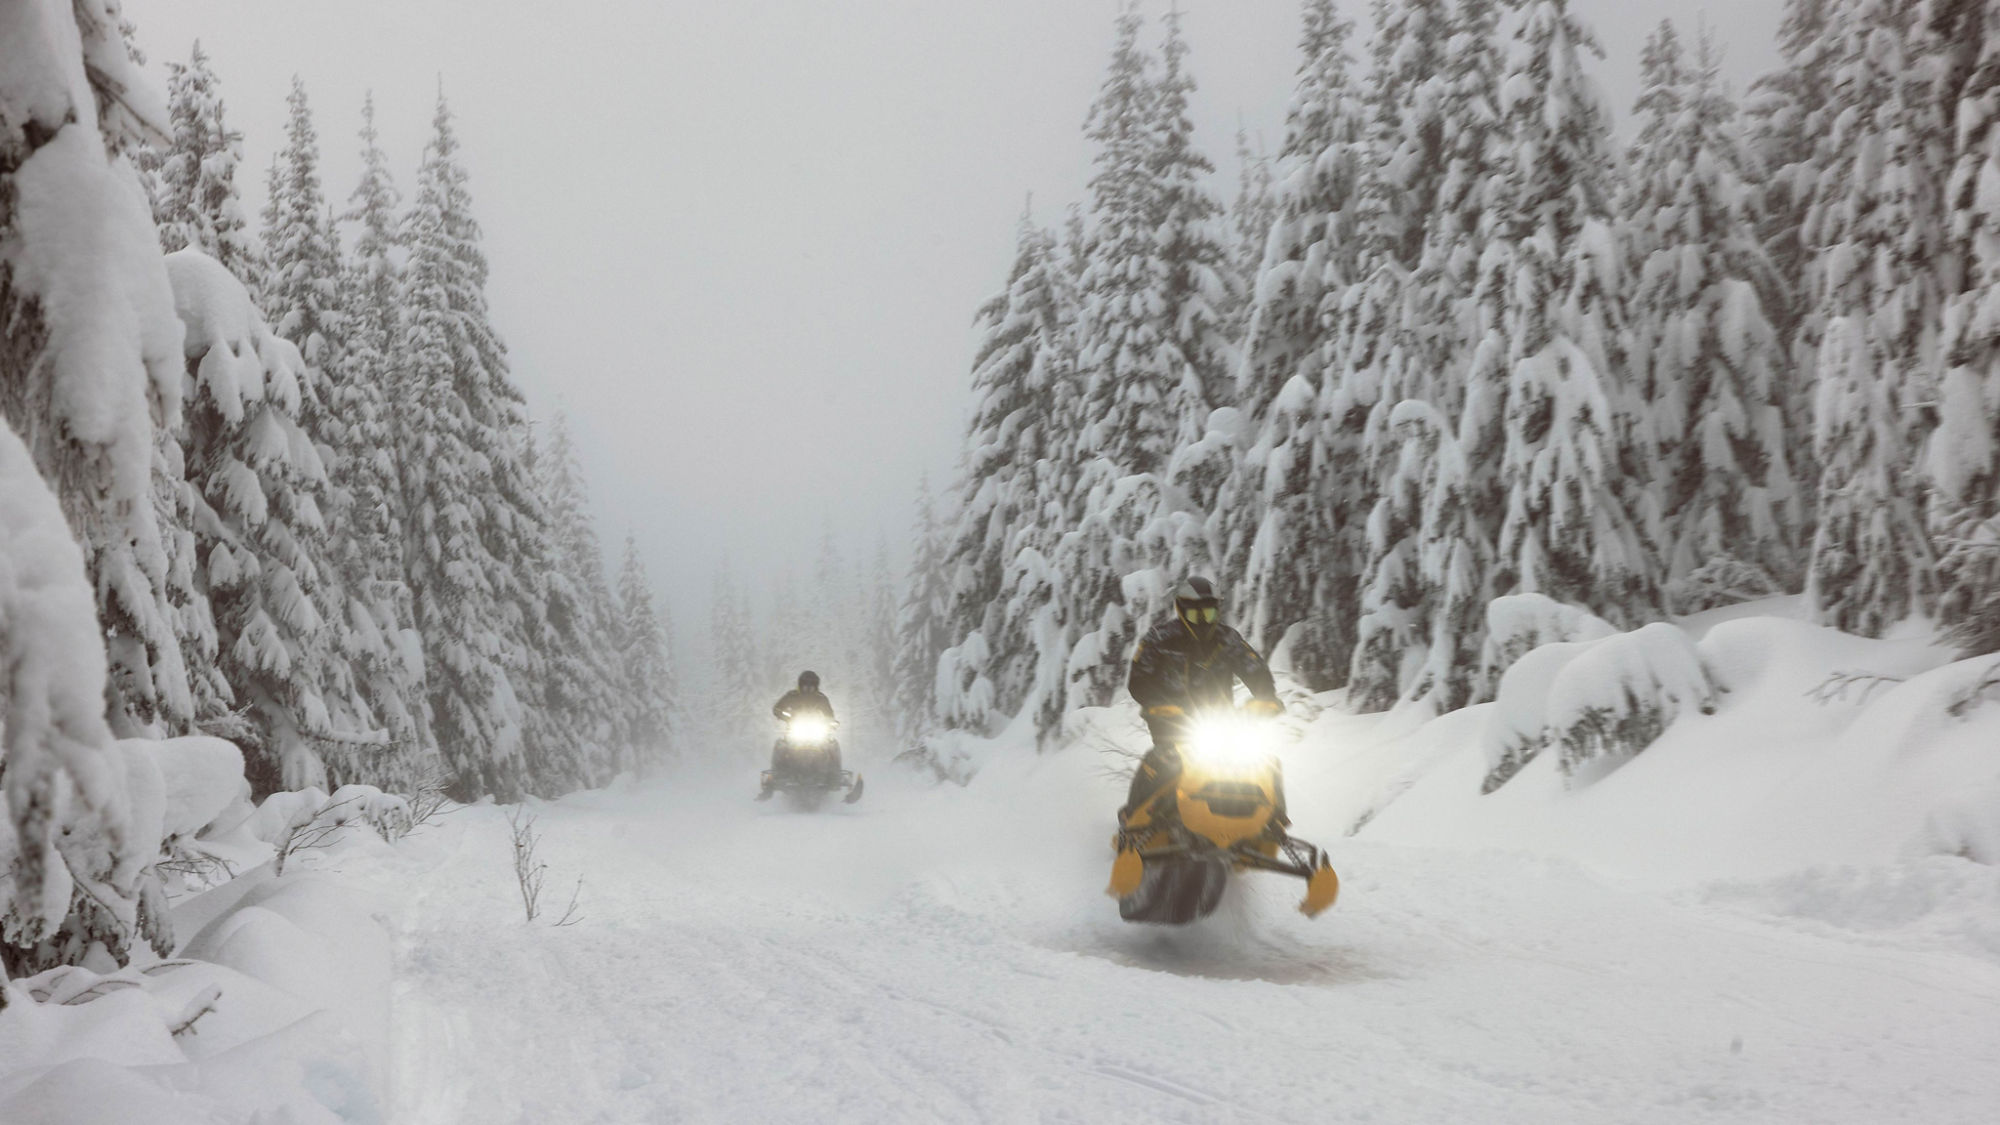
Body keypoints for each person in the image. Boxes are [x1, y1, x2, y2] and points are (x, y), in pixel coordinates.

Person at [1122, 577, 1285, 823]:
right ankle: (1133, 818)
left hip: (1222, 722)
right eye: (1197, 614)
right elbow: (1138, 679)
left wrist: (1266, 698)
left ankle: (1273, 819)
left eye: (1208, 613)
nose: (1203, 620)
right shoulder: (1160, 639)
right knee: (1163, 761)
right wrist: (1158, 703)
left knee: (1264, 762)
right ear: (1182, 611)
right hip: (1172, 721)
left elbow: (1254, 668)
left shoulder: (1228, 640)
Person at [770, 671, 839, 779]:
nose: (808, 688)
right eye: (805, 685)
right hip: (794, 730)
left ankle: (834, 777)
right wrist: (786, 716)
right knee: (781, 746)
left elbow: (829, 714)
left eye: (811, 686)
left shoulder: (821, 698)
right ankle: (777, 775)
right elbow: (777, 708)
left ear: (816, 686)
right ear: (800, 685)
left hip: (816, 732)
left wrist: (830, 722)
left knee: (832, 745)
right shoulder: (792, 696)